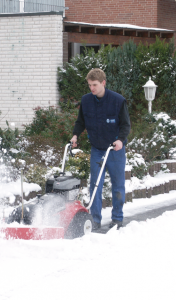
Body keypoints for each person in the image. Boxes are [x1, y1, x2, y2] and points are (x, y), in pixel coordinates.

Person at [70, 68, 130, 230]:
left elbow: (125, 125)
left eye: (95, 85)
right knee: (95, 184)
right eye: (89, 85)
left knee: (118, 185)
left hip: (114, 150)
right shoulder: (86, 100)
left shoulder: (118, 101)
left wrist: (120, 140)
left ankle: (117, 218)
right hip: (97, 149)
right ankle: (95, 219)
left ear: (103, 83)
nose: (92, 88)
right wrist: (75, 135)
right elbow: (80, 121)